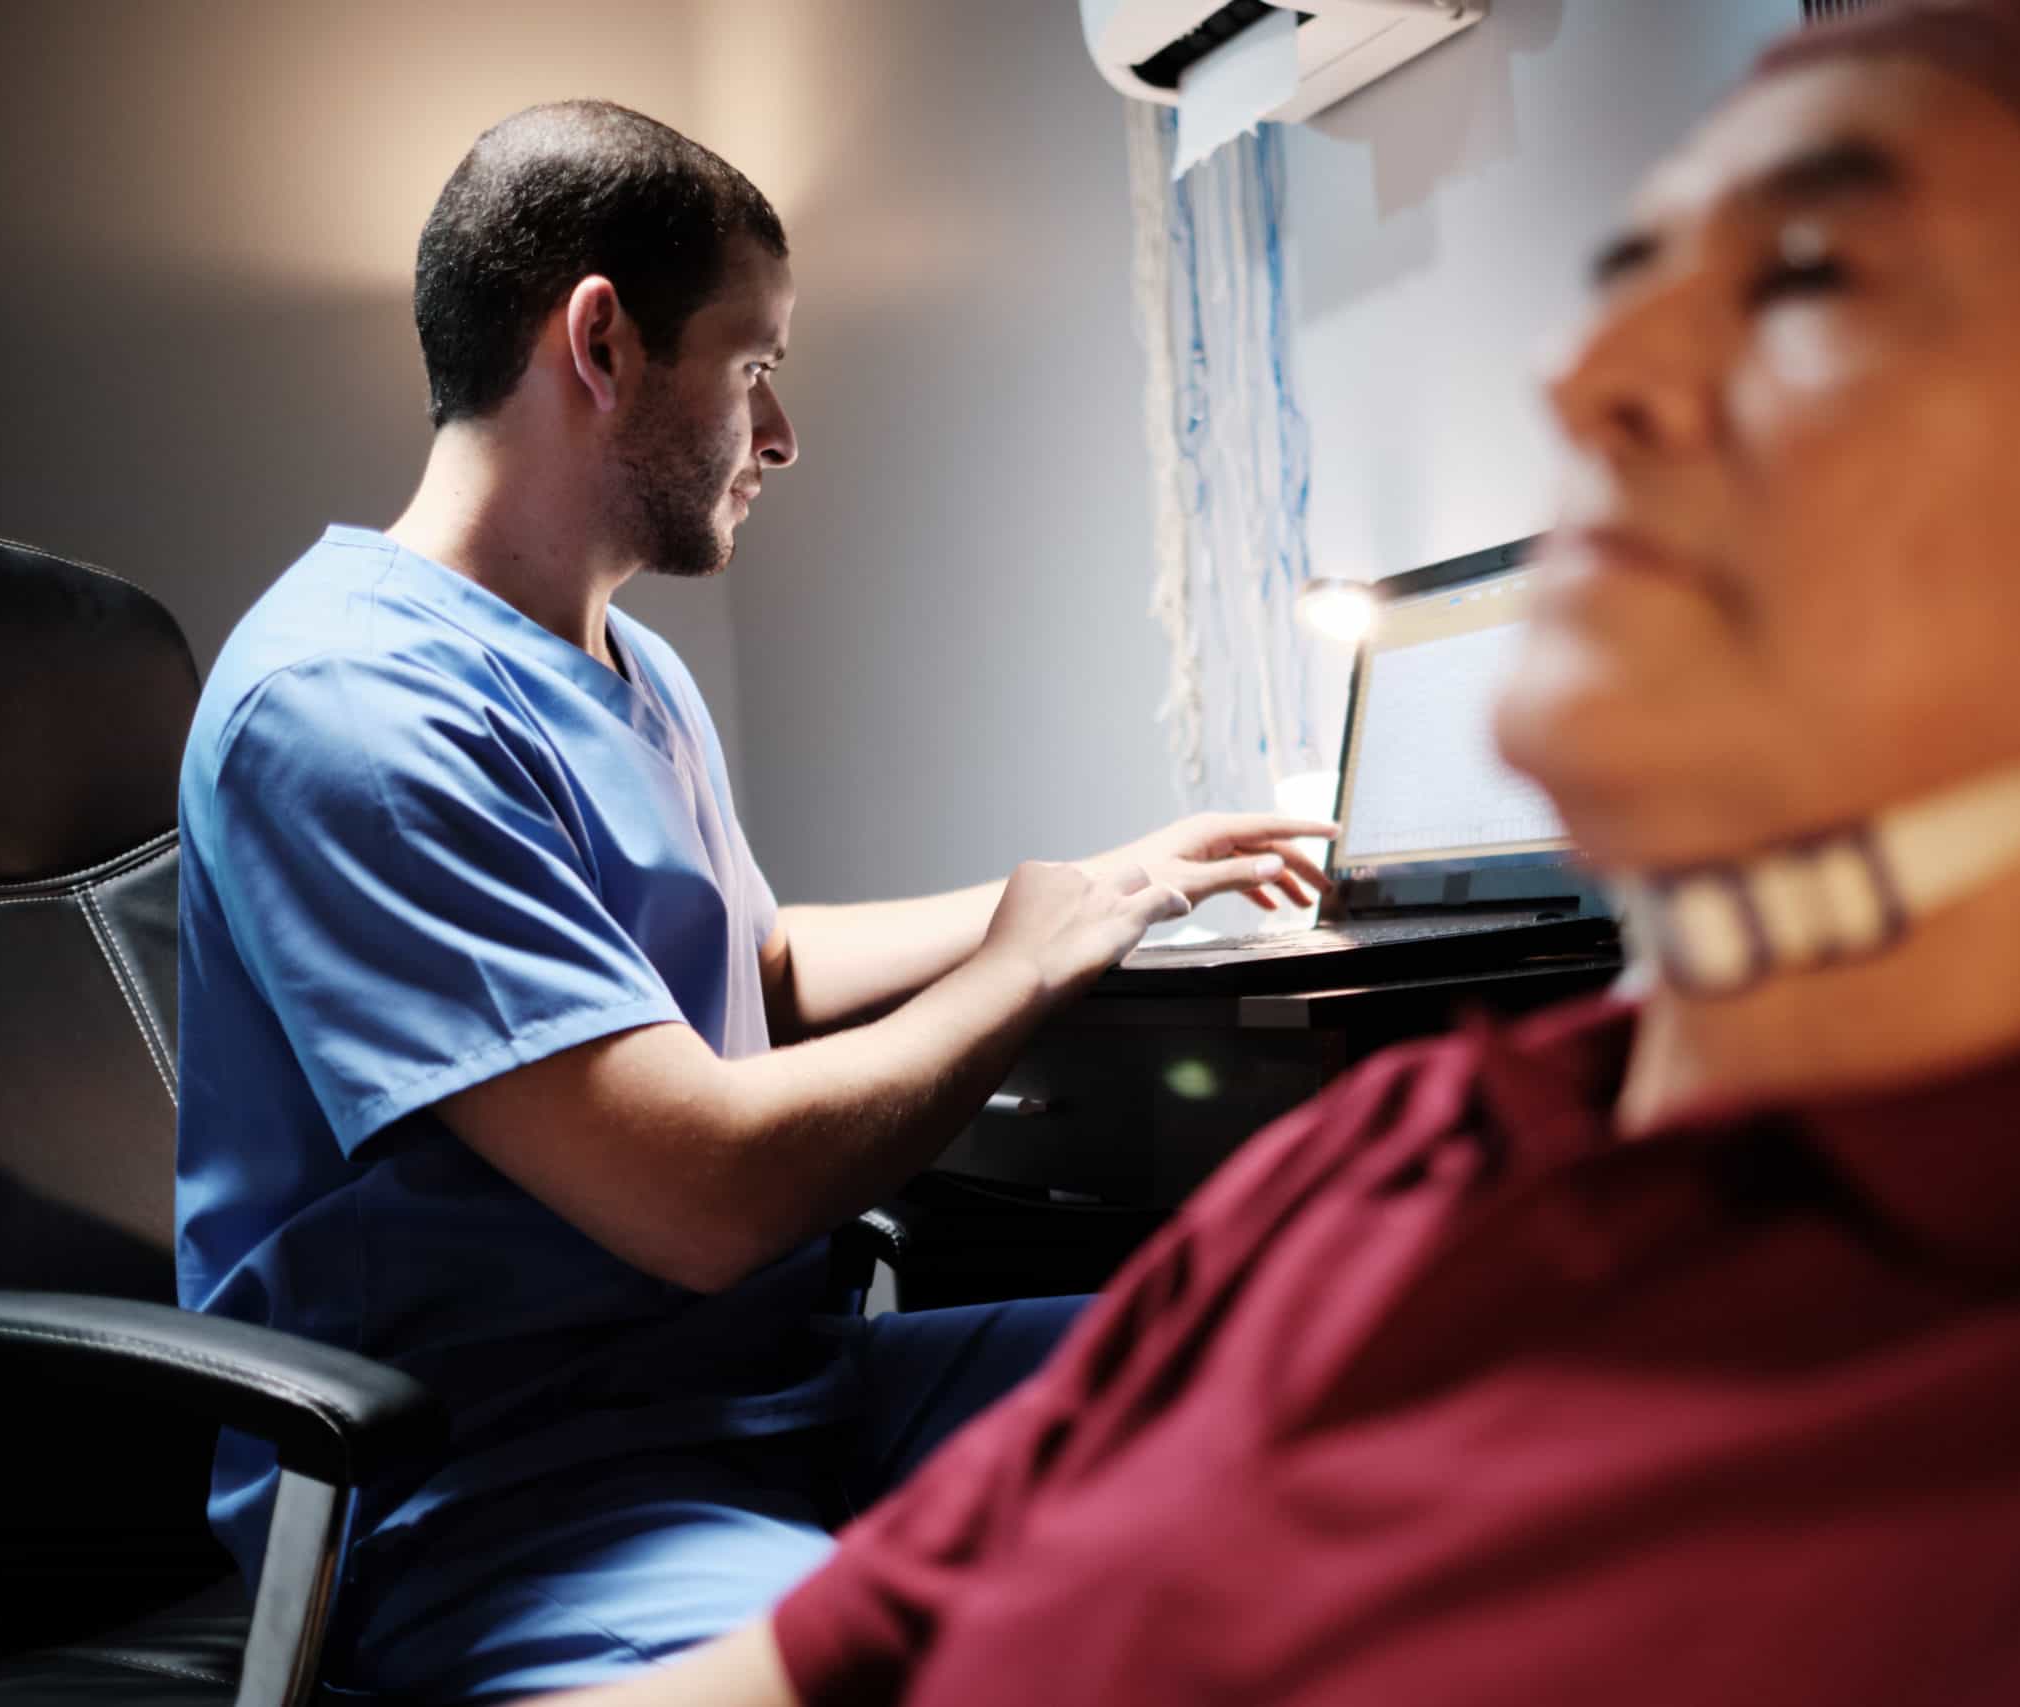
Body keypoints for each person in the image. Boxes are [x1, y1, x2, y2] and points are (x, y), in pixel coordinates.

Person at [534, 4, 2020, 1704]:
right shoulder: (1380, 1164)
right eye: (1632, 274)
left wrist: (1059, 910)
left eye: (1816, 285)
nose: (1597, 378)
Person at [172, 100, 1332, 1700]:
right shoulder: (346, 706)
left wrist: (1099, 883)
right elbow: (699, 1199)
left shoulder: (623, 662)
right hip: (520, 1500)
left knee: (1323, 1366)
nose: (777, 433)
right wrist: (1025, 967)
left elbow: (752, 963)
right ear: (601, 342)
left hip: (785, 1395)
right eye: (752, 361)